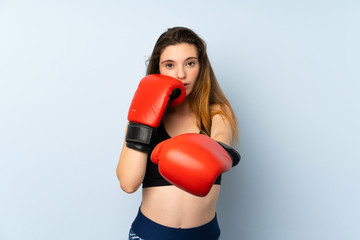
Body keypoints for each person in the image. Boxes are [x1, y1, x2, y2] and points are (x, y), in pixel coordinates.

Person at [117, 26, 240, 240]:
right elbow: (128, 183)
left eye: (190, 63)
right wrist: (143, 124)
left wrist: (179, 153)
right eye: (170, 65)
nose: (181, 74)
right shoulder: (145, 114)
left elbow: (219, 152)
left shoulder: (217, 112)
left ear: (201, 67)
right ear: (158, 69)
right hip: (149, 234)